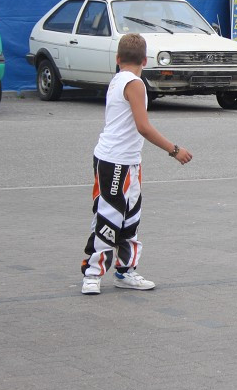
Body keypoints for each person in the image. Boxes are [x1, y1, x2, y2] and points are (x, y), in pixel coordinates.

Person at [81, 33, 192, 294]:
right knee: (109, 216)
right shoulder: (134, 84)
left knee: (130, 216)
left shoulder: (119, 78)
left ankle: (125, 271)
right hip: (114, 161)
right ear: (145, 59)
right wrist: (174, 150)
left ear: (118, 59)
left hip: (128, 161)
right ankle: (92, 274)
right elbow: (143, 127)